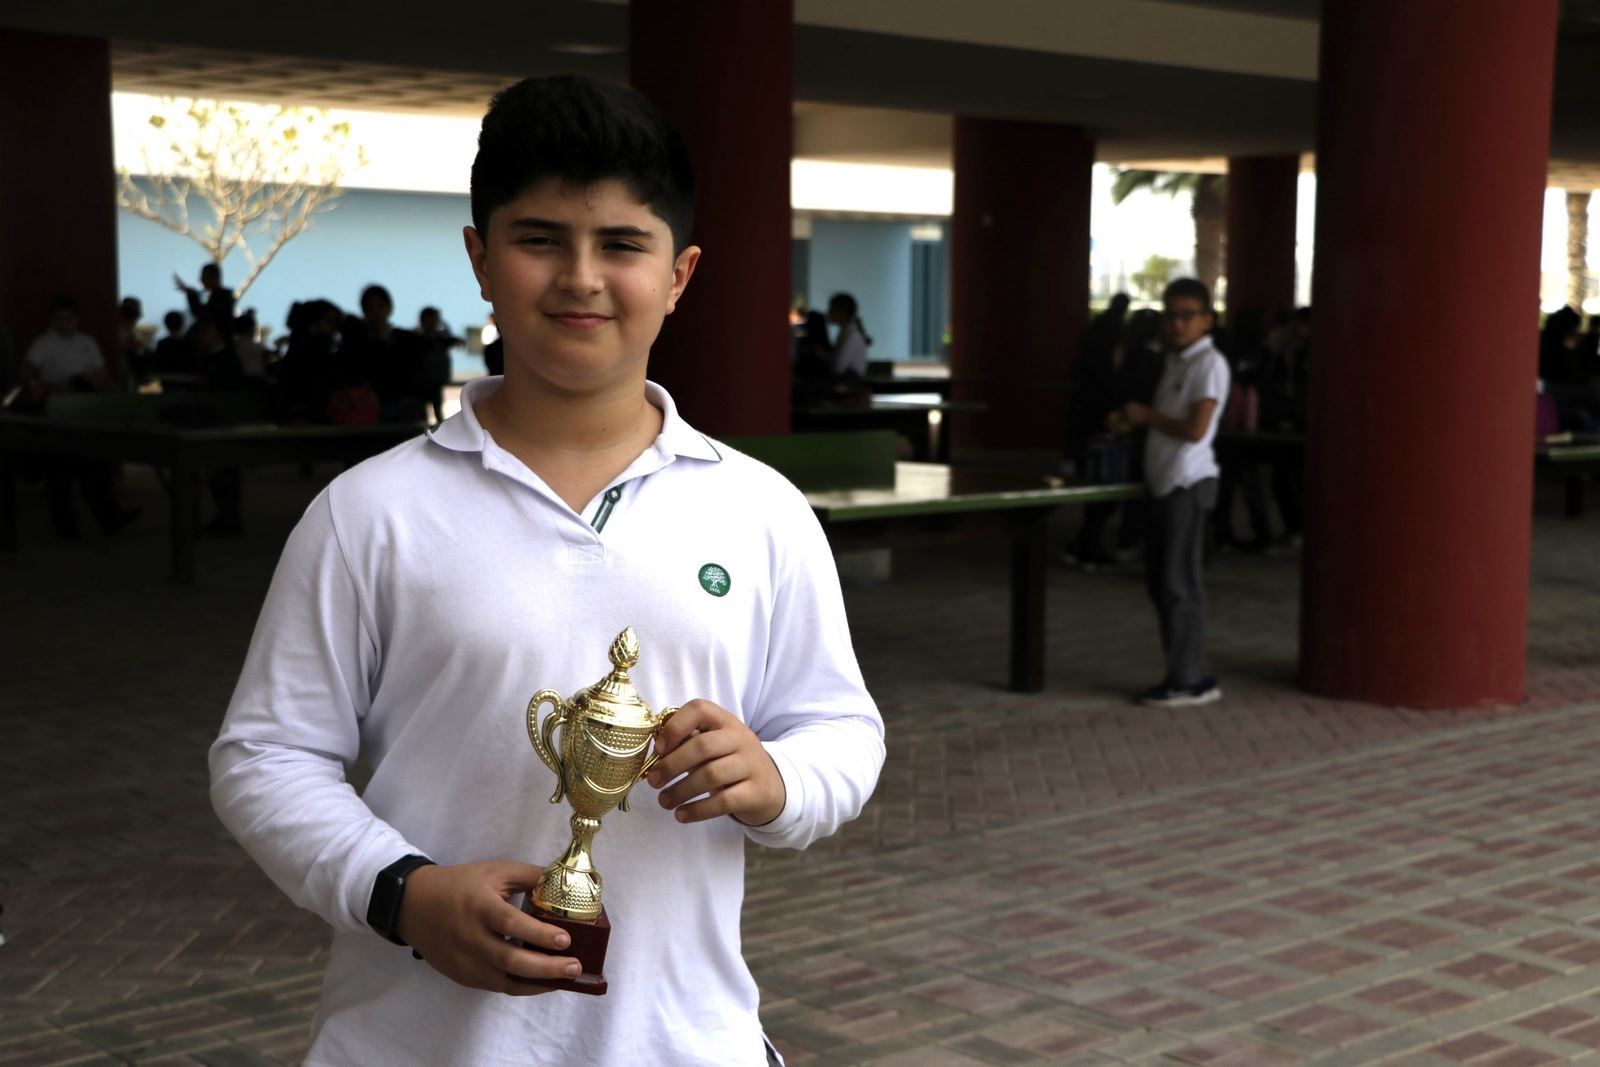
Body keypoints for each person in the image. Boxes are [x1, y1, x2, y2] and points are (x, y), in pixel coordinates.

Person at [209, 74, 885, 1067]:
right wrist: (398, 889)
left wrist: (779, 775)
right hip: (414, 1041)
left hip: (682, 1038)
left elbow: (843, 728)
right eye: (539, 239)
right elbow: (262, 756)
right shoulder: (371, 511)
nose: (580, 277)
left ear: (680, 272)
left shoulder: (759, 510)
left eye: (621, 244)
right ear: (481, 258)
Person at [1121, 278, 1229, 708]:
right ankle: (1181, 672)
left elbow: (1196, 429)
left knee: (1180, 584)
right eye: (1172, 314)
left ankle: (1191, 679)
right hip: (1166, 485)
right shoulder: (1177, 361)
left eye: (1188, 315)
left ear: (1206, 320)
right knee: (1164, 583)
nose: (1178, 323)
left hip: (1188, 484)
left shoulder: (1209, 364)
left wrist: (1147, 416)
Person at [417, 306, 459, 423]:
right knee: (427, 413)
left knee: (436, 412)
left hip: (434, 382)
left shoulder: (441, 339)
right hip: (423, 383)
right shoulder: (417, 340)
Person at [174, 262, 235, 331]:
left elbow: (203, 316)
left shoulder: (221, 298)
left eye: (205, 277)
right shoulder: (222, 296)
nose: (201, 280)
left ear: (215, 278)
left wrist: (191, 295)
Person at [826, 291, 871, 381]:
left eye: (831, 309)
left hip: (849, 386)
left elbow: (838, 368)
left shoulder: (850, 335)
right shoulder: (847, 333)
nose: (828, 313)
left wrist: (823, 356)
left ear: (842, 312)